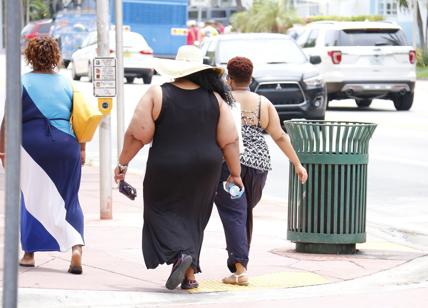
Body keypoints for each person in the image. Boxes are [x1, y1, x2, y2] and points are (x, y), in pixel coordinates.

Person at [114, 45, 243, 290]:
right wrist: (235, 173)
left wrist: (123, 162)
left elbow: (137, 134)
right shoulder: (216, 99)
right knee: (194, 216)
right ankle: (190, 274)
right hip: (206, 168)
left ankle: (179, 255)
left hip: (167, 165)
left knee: (158, 211)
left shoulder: (158, 94)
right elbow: (230, 140)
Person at [214, 56, 308, 285]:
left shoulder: (220, 100)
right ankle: (240, 265)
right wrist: (297, 163)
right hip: (258, 167)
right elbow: (280, 136)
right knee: (244, 211)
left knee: (234, 214)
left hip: (229, 164)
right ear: (250, 77)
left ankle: (240, 268)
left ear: (229, 77)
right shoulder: (262, 103)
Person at [0, 37, 85, 274]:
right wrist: (82, 149)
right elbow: (79, 117)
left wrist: (3, 151)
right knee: (70, 198)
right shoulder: (68, 83)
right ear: (56, 57)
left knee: (31, 197)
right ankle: (76, 247)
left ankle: (29, 254)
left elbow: (8, 120)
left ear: (30, 56)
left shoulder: (21, 81)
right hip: (66, 143)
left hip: (31, 145)